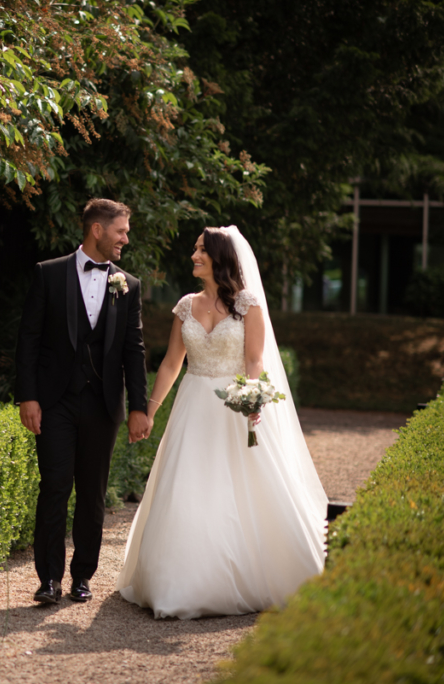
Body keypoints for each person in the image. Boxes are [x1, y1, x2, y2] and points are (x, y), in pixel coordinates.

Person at [116, 226, 327, 619]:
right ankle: (179, 581)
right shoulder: (185, 306)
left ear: (219, 257)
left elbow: (254, 360)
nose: (194, 256)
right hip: (193, 407)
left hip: (232, 407)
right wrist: (150, 409)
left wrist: (251, 396)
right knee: (188, 486)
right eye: (195, 250)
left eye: (200, 250)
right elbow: (170, 363)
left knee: (241, 487)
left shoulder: (248, 304)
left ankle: (252, 574)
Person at [16, 198, 152, 605]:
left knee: (92, 492)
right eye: (121, 231)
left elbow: (134, 349)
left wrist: (139, 407)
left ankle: (82, 577)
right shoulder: (49, 274)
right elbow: (29, 340)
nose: (125, 239)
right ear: (97, 229)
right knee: (54, 487)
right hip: (55, 402)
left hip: (102, 404)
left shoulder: (128, 285)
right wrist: (28, 396)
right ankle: (49, 580)